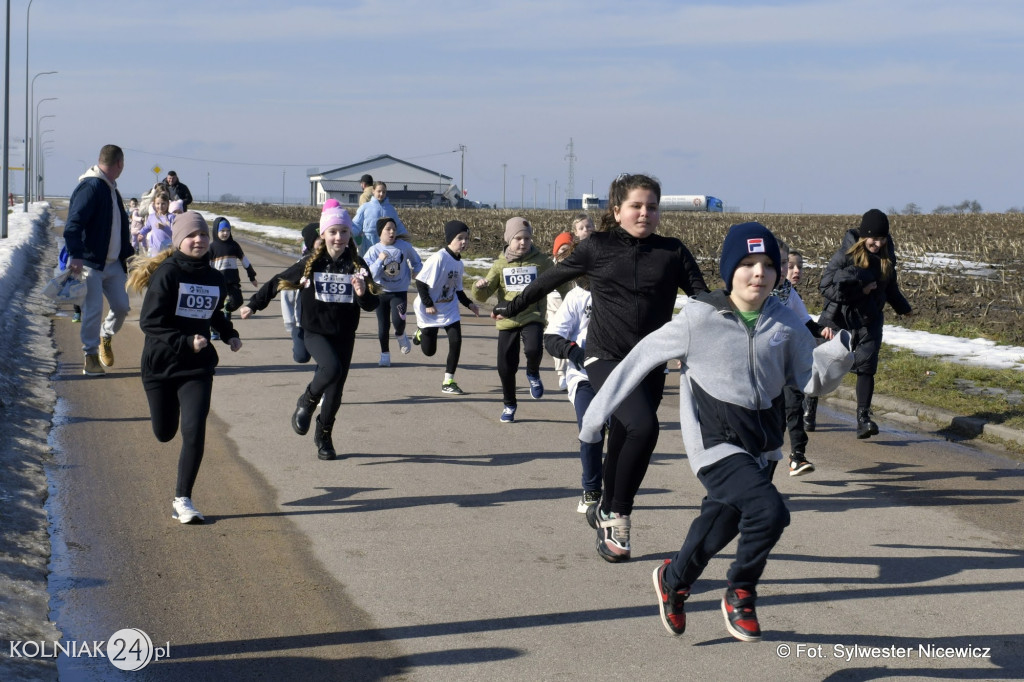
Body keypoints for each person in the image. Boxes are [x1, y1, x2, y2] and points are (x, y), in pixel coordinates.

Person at [579, 222, 854, 642]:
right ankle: (740, 592)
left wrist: (838, 355)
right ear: (729, 271)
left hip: (762, 447)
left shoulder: (785, 322)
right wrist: (595, 419)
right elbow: (639, 359)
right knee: (770, 512)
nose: (758, 273)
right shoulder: (699, 318)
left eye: (767, 264)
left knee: (718, 528)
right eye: (747, 264)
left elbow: (810, 380)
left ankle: (672, 581)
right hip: (715, 444)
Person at [493, 173, 708, 562]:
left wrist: (743, 312)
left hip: (651, 360)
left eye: (652, 207)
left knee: (628, 436)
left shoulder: (672, 252)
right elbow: (550, 279)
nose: (645, 213)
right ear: (617, 210)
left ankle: (606, 504)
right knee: (644, 426)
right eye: (636, 206)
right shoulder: (597, 247)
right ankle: (619, 516)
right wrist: (513, 306)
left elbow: (703, 296)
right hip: (605, 357)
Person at [126, 211, 242, 524]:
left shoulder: (214, 278)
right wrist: (184, 341)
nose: (199, 240)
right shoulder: (168, 273)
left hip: (197, 368)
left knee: (194, 429)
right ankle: (169, 413)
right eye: (192, 236)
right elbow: (150, 322)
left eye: (203, 235)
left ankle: (183, 498)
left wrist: (229, 333)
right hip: (161, 365)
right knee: (165, 433)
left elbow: (214, 315)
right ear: (179, 240)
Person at [239, 207, 379, 461]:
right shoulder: (311, 263)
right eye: (333, 232)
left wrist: (362, 293)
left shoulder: (357, 265)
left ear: (350, 235)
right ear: (324, 234)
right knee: (331, 368)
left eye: (344, 232)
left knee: (336, 392)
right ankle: (307, 400)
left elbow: (371, 304)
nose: (339, 237)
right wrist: (253, 304)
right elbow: (278, 281)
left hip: (344, 334)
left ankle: (324, 435)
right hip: (314, 332)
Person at [818, 209, 912, 439]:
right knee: (826, 366)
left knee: (867, 366)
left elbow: (890, 287)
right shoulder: (845, 255)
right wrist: (860, 290)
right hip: (841, 317)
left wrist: (903, 307)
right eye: (873, 238)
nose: (877, 243)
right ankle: (811, 406)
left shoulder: (887, 257)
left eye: (882, 238)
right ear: (863, 236)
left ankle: (863, 419)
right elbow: (825, 286)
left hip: (870, 318)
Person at [63, 144, 134, 376]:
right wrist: (75, 254)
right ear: (120, 164)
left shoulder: (111, 189)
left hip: (113, 264)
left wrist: (130, 256)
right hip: (91, 263)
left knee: (122, 306)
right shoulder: (91, 187)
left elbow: (117, 227)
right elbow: (73, 223)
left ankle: (106, 335)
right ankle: (90, 356)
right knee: (93, 310)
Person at [473, 217, 552, 422]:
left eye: (527, 238)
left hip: (532, 315)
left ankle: (533, 373)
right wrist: (479, 288)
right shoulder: (500, 264)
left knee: (533, 349)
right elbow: (485, 292)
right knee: (505, 366)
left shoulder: (541, 262)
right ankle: (509, 404)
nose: (523, 242)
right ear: (509, 239)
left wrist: (569, 298)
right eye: (518, 238)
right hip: (507, 317)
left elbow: (557, 280)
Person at [543, 266, 606, 512]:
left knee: (626, 434)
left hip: (621, 375)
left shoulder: (628, 293)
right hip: (585, 376)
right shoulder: (578, 296)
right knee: (590, 426)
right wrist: (574, 352)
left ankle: (614, 487)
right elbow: (552, 336)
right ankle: (591, 488)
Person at [772, 241, 835, 477]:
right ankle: (763, 459)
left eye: (784, 263)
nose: (784, 269)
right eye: (779, 264)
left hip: (790, 360)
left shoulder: (789, 292)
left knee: (793, 407)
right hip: (765, 364)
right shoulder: (756, 291)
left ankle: (797, 456)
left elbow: (805, 320)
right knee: (773, 417)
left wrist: (821, 331)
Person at [412, 220, 480, 395]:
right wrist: (428, 304)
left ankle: (448, 380)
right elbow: (420, 282)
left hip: (449, 309)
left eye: (466, 238)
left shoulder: (459, 263)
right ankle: (421, 331)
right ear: (450, 238)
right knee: (429, 351)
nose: (464, 242)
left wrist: (470, 304)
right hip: (429, 309)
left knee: (456, 341)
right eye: (460, 238)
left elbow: (457, 290)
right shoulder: (439, 258)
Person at [364, 217, 422, 367]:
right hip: (380, 292)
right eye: (388, 229)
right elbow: (368, 274)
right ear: (380, 232)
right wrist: (379, 260)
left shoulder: (404, 246)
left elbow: (417, 261)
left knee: (399, 321)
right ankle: (385, 354)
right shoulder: (374, 250)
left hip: (399, 291)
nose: (391, 232)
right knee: (383, 325)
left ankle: (400, 334)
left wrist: (417, 270)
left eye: (394, 229)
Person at [208, 217, 259, 340]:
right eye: (222, 231)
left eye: (227, 230)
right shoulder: (212, 247)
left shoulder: (234, 245)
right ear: (216, 231)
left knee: (238, 300)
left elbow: (245, 261)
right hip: (217, 282)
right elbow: (207, 265)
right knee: (215, 308)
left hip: (232, 281)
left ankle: (228, 308)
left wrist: (252, 276)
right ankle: (214, 331)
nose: (225, 233)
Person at [546, 231, 575, 390]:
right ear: (556, 252)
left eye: (568, 249)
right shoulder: (550, 267)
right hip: (553, 310)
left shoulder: (578, 266)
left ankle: (573, 371)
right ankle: (561, 374)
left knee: (573, 340)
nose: (565, 253)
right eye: (562, 249)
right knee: (559, 338)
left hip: (572, 310)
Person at [352, 182, 409, 256]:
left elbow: (397, 225)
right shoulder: (365, 207)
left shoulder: (390, 209)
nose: (381, 194)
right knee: (367, 265)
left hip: (387, 243)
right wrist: (349, 233)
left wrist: (405, 238)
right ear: (373, 191)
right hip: (368, 243)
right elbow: (356, 224)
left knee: (385, 265)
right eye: (379, 191)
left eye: (384, 192)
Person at [139, 192, 174, 257]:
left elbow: (174, 232)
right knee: (153, 264)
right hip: (154, 247)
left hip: (167, 247)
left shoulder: (171, 217)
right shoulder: (152, 217)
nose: (160, 206)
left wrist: (164, 227)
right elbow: (147, 227)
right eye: (158, 204)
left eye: (163, 204)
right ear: (154, 204)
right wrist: (141, 234)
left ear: (168, 204)